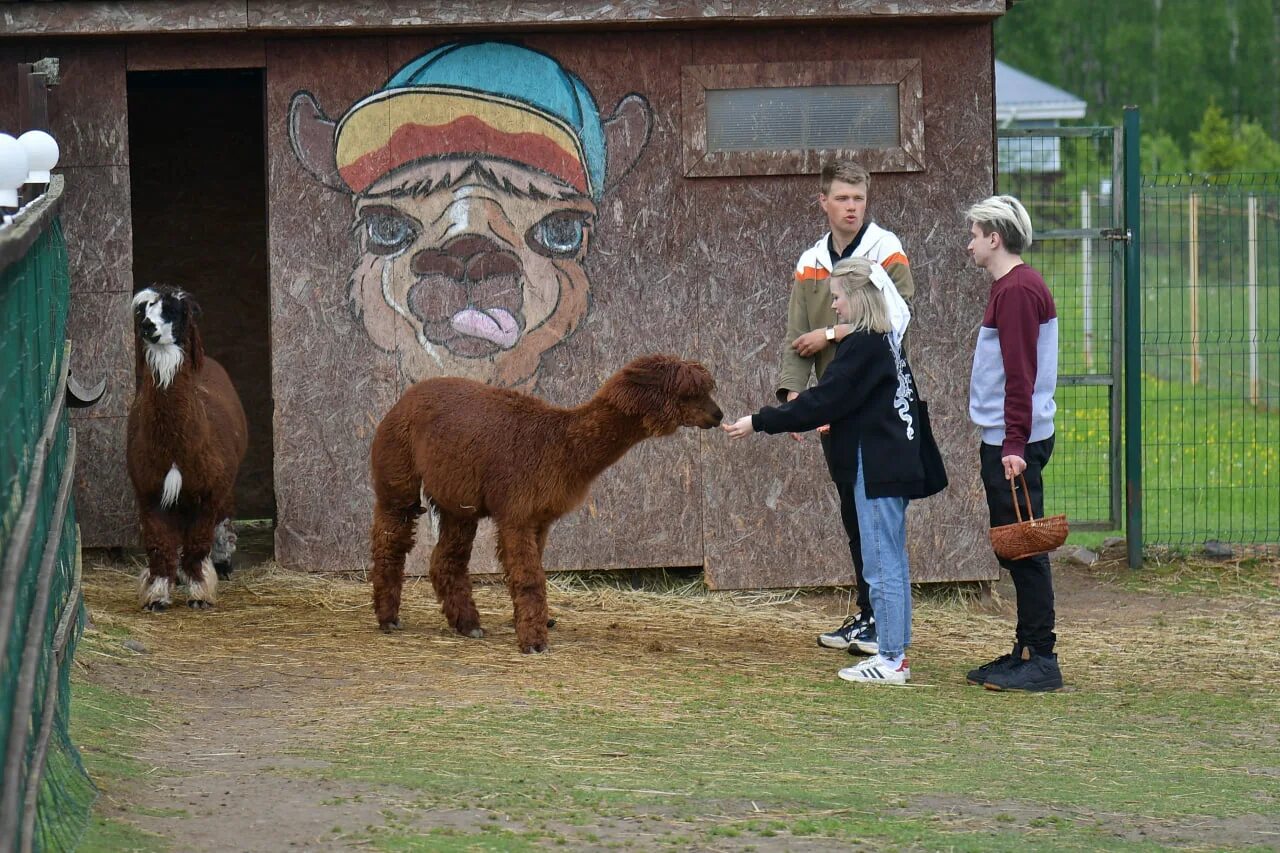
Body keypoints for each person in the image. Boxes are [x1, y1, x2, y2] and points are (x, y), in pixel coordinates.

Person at [727, 258, 940, 685]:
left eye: (839, 297)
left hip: (877, 464)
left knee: (881, 562)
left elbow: (822, 400)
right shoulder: (885, 342)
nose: (835, 307)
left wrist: (761, 420)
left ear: (858, 297)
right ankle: (894, 652)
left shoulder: (864, 344)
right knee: (890, 559)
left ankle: (892, 658)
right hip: (889, 460)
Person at [777, 159, 914, 656]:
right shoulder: (811, 260)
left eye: (859, 198)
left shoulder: (886, 249)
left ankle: (887, 626)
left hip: (874, 407)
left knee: (877, 518)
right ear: (824, 202)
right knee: (852, 516)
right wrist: (795, 396)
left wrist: (833, 333)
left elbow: (899, 315)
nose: (852, 207)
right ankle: (868, 613)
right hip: (831, 407)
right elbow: (796, 334)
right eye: (842, 198)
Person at [963, 195, 1063, 692]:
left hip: (1013, 441)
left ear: (995, 238)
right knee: (1016, 546)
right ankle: (1026, 649)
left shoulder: (1019, 290)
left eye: (976, 235)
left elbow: (1021, 375)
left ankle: (1042, 657)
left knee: (1026, 547)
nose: (971, 244)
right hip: (1006, 435)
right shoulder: (1011, 287)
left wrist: (1014, 445)